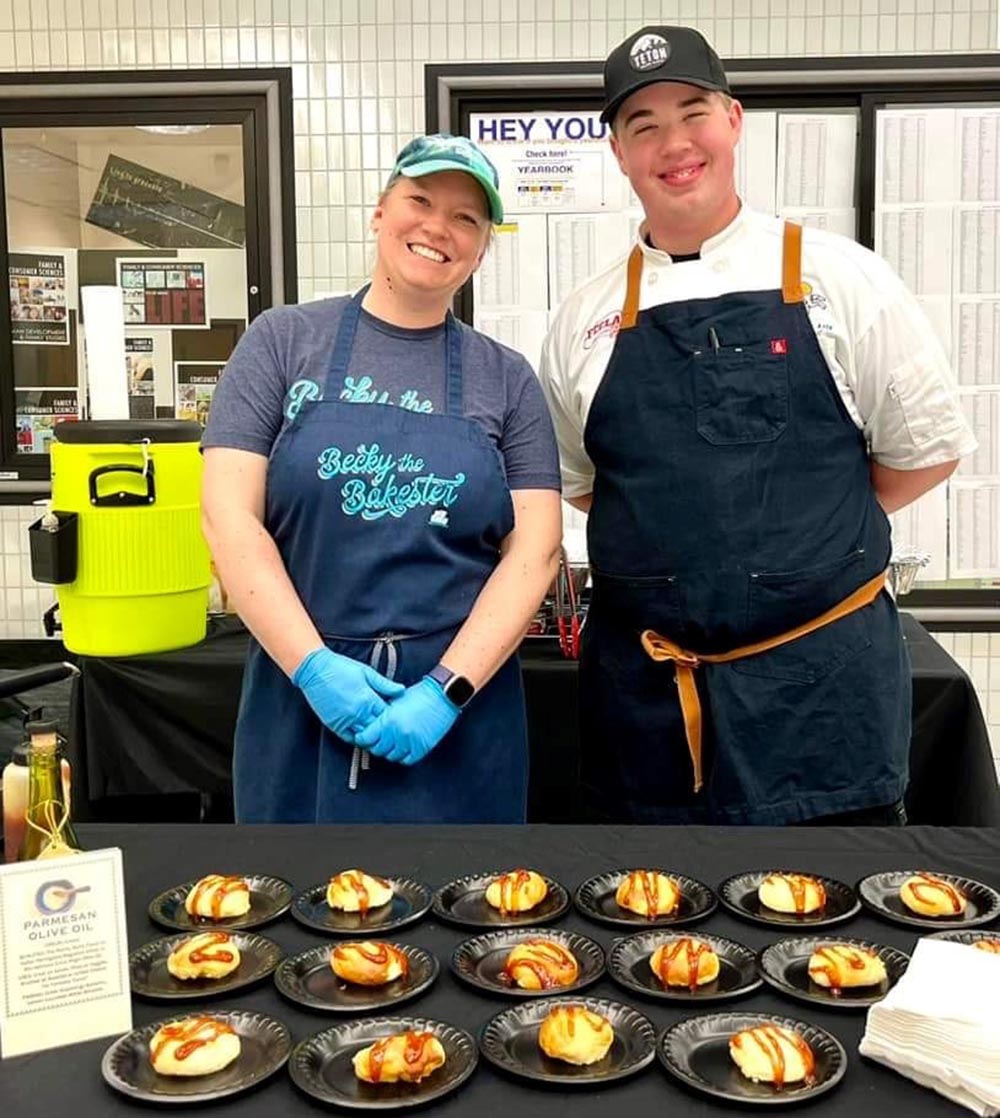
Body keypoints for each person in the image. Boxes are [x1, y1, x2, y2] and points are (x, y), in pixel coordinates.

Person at [538, 26, 977, 826]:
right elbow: (585, 487)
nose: (674, 143)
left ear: (734, 120)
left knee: (836, 941)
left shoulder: (841, 277)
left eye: (692, 112)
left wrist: (799, 545)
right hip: (647, 709)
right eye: (643, 125)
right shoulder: (584, 319)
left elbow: (924, 453)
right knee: (648, 934)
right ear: (619, 153)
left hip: (823, 697)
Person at [202, 134, 562, 823]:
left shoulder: (507, 377)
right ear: (379, 211)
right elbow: (228, 516)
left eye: (466, 218)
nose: (438, 228)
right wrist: (312, 668)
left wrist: (445, 691)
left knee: (475, 917)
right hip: (299, 697)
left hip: (462, 711)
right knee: (295, 913)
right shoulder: (282, 342)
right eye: (420, 200)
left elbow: (536, 551)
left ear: (482, 248)